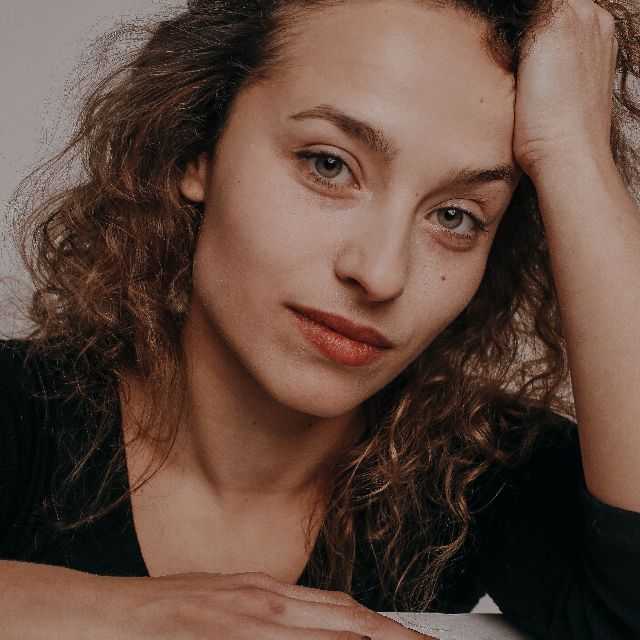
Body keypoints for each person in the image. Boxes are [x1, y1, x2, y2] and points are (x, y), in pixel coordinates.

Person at [2, 0, 639, 638]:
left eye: (455, 216)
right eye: (328, 165)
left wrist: (574, 154)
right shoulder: (21, 413)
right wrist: (121, 614)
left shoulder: (476, 471)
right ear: (197, 149)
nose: (381, 273)